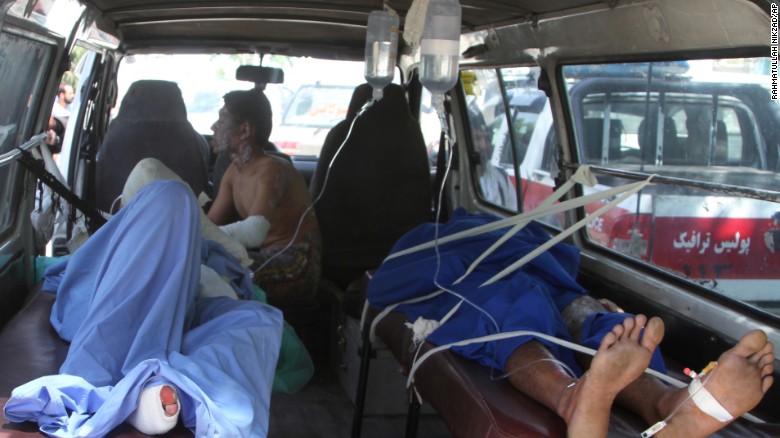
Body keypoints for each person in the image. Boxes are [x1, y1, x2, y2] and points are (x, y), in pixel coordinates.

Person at [367, 209, 774, 437]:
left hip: (529, 271)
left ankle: (590, 397)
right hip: (516, 273)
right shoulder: (441, 238)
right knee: (565, 311)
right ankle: (655, 401)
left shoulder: (450, 234)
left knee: (535, 310)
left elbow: (389, 281)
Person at [4, 179, 284, 437]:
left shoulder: (196, 246)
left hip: (182, 304)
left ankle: (149, 389)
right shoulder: (140, 227)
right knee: (171, 199)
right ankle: (128, 388)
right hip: (103, 299)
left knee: (259, 318)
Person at [207, 89, 321, 308]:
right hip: (267, 256)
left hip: (297, 263)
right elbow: (210, 227)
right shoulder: (233, 172)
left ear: (245, 130)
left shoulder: (272, 171)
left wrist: (194, 240)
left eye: (222, 120)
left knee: (222, 275)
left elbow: (254, 231)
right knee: (205, 266)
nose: (214, 127)